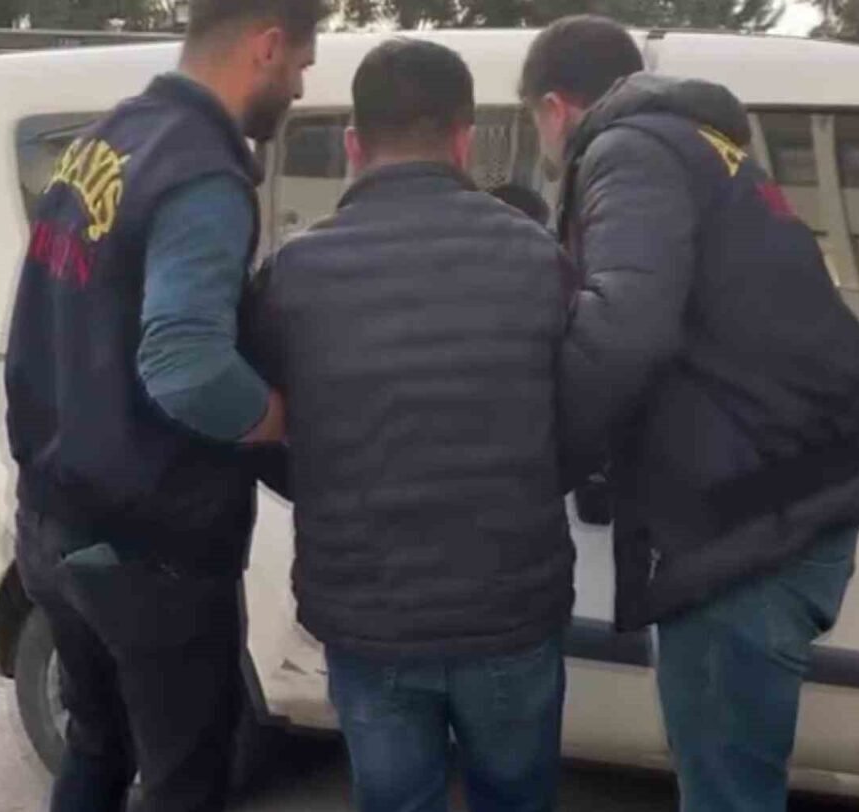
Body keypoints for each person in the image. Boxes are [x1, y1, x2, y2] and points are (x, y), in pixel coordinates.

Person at [520, 16, 859, 812]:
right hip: (788, 500)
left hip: (744, 535)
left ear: (553, 107)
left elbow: (625, 327)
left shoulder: (627, 151)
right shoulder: (706, 148)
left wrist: (542, 461)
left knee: (726, 793)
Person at [3, 1, 323, 809]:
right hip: (151, 550)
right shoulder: (201, 174)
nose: (298, 86)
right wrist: (284, 419)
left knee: (96, 745)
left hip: (53, 520)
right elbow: (185, 364)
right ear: (266, 45)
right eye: (300, 65)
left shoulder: (103, 142)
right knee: (186, 780)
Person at [249, 38, 576, 812]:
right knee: (518, 799)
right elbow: (578, 416)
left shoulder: (293, 274)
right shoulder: (538, 258)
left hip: (367, 616)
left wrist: (318, 483)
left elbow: (255, 431)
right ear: (464, 139)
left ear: (353, 144)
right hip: (510, 606)